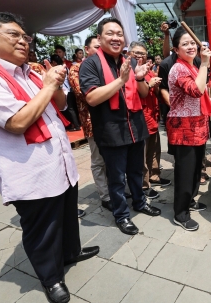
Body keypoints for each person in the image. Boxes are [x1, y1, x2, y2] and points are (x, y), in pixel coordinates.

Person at [0, 12, 99, 303]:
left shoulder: (30, 72)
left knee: (65, 216)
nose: (23, 41)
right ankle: (51, 278)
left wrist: (54, 81)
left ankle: (71, 252)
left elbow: (59, 104)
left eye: (25, 37)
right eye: (14, 35)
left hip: (58, 163)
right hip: (29, 171)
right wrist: (47, 85)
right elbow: (17, 122)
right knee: (42, 228)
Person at [79, 17, 161, 235]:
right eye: (110, 33)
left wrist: (140, 78)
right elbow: (92, 98)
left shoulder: (131, 61)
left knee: (136, 171)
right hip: (111, 130)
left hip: (135, 126)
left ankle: (140, 202)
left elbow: (142, 94)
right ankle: (122, 215)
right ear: (99, 37)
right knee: (116, 178)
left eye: (119, 34)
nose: (116, 38)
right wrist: (121, 80)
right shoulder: (90, 64)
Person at [167, 27, 211, 231]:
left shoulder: (192, 67)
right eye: (185, 44)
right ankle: (180, 213)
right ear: (176, 49)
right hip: (184, 128)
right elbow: (195, 89)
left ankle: (190, 200)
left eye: (193, 42)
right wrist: (206, 64)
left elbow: (201, 93)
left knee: (194, 170)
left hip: (198, 125)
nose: (191, 46)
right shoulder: (179, 69)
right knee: (185, 172)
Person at [68, 35, 113, 211]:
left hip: (110, 121)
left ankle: (115, 189)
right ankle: (105, 195)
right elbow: (83, 93)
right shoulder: (77, 68)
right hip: (91, 122)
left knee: (112, 158)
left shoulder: (107, 65)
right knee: (98, 160)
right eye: (96, 47)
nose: (100, 50)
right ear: (87, 50)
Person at [128, 41, 171, 199]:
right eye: (136, 53)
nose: (139, 56)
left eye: (143, 53)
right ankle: (144, 186)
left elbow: (156, 91)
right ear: (129, 53)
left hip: (153, 116)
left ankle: (154, 175)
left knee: (154, 150)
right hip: (140, 118)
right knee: (142, 155)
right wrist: (148, 83)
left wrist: (155, 84)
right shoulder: (128, 70)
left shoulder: (149, 70)